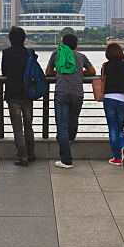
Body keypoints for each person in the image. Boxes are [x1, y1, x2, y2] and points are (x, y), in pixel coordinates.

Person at [45, 33, 95, 169]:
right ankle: (69, 140)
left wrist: (59, 71)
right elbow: (92, 71)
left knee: (61, 126)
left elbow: (48, 72)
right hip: (77, 93)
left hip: (61, 92)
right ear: (76, 44)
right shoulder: (81, 56)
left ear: (62, 43)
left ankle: (66, 160)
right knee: (73, 120)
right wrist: (79, 72)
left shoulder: (57, 54)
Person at [1, 26, 37, 166]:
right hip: (28, 92)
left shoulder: (6, 53)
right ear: (24, 38)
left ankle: (22, 156)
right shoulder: (30, 52)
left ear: (10, 39)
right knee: (28, 125)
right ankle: (31, 153)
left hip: (12, 93)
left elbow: (5, 72)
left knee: (17, 126)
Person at [101, 42, 124, 167]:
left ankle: (117, 157)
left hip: (109, 97)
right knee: (120, 127)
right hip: (123, 98)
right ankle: (123, 146)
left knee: (112, 128)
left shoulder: (106, 66)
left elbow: (103, 78)